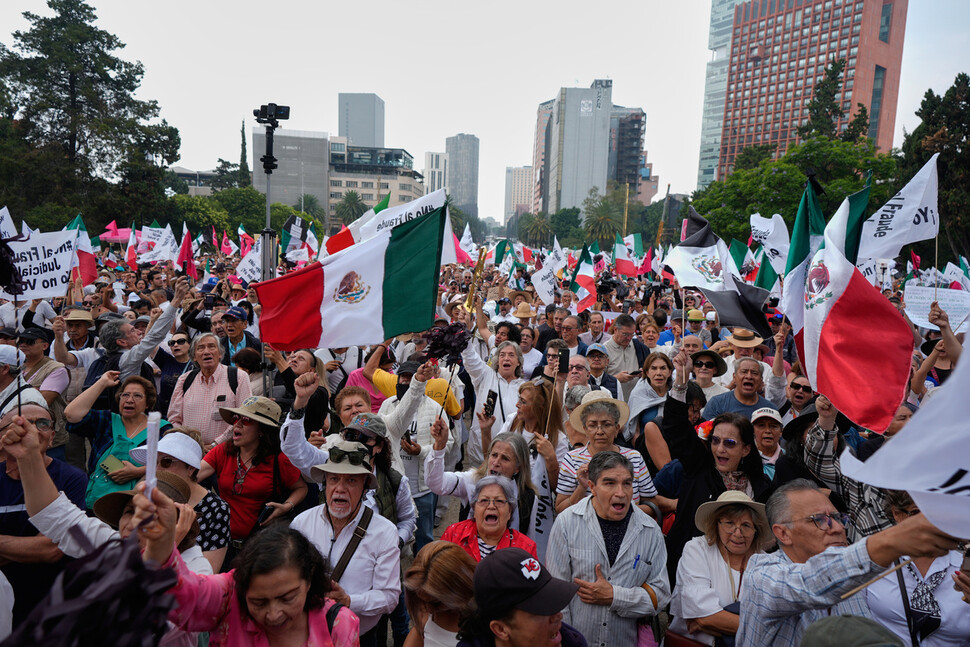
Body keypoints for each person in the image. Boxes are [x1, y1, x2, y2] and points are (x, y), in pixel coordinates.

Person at [737, 479, 960, 647]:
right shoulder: (762, 574)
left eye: (839, 518)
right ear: (783, 534)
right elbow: (809, 583)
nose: (838, 528)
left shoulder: (855, 584)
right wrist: (891, 541)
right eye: (820, 520)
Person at [134, 490, 359, 647]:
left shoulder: (339, 625)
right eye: (258, 602)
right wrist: (161, 546)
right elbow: (185, 596)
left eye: (288, 598)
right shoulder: (227, 596)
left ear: (309, 579)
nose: (273, 614)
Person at [662, 349, 771, 584]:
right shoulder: (698, 468)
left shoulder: (761, 485)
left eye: (730, 443)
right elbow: (675, 428)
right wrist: (680, 381)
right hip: (693, 569)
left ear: (746, 449)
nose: (720, 449)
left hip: (743, 573)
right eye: (716, 441)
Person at [547, 451, 670, 647]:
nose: (621, 493)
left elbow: (661, 596)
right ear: (592, 487)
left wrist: (615, 596)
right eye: (610, 483)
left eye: (627, 483)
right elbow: (556, 595)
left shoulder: (650, 530)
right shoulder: (566, 523)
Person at [289, 441, 401, 646]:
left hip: (359, 638)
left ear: (366, 486)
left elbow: (390, 597)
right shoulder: (301, 523)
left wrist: (349, 601)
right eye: (333, 479)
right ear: (325, 483)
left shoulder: (384, 532)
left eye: (351, 480)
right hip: (305, 635)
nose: (340, 489)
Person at [0, 403, 86, 628]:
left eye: (43, 424)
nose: (34, 431)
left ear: (51, 437)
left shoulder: (72, 479)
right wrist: (30, 547)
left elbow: (51, 549)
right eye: (23, 424)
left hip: (50, 605)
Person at [197, 396, 307, 549]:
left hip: (259, 547)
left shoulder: (278, 460)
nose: (238, 424)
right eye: (236, 418)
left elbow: (301, 488)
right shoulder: (223, 451)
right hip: (221, 544)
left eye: (247, 420)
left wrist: (286, 506)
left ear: (262, 430)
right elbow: (194, 475)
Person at [865, 490, 970, 647]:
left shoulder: (963, 568)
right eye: (917, 512)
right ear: (897, 514)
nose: (929, 521)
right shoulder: (873, 563)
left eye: (937, 512)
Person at [668, 491, 773, 645]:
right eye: (729, 523)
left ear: (756, 530)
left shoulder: (766, 563)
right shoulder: (697, 549)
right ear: (716, 524)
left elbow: (702, 620)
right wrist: (759, 629)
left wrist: (712, 622)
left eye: (746, 525)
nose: (738, 533)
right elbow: (703, 618)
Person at [130, 429, 231, 572]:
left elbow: (208, 574)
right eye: (154, 462)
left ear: (190, 468)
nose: (157, 469)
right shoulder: (149, 496)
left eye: (166, 462)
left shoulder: (217, 508)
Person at [555, 390, 663, 519]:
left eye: (606, 424)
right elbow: (560, 510)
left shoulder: (634, 457)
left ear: (617, 428)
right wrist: (582, 487)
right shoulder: (572, 459)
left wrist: (620, 513)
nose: (600, 431)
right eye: (593, 425)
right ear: (585, 429)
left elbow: (651, 504)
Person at [65, 371, 164, 508]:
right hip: (98, 502)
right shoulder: (106, 420)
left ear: (148, 403)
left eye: (137, 396)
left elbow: (169, 466)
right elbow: (71, 414)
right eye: (125, 395)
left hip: (138, 504)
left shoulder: (160, 428)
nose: (129, 400)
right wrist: (102, 383)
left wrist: (138, 472)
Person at [456, 546, 586, 647]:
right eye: (542, 611)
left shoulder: (574, 642)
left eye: (553, 603)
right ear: (501, 629)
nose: (558, 616)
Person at [426, 427, 539, 538]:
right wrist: (439, 447)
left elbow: (529, 539)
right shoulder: (472, 481)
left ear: (517, 467)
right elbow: (436, 484)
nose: (496, 462)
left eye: (505, 458)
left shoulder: (528, 498)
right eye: (494, 455)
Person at [167, 332, 253, 448]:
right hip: (190, 450)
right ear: (194, 357)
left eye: (211, 346)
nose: (206, 352)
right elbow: (174, 418)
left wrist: (215, 444)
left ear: (220, 354)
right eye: (200, 348)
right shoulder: (184, 380)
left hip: (226, 450)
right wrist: (191, 443)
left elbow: (244, 416)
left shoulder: (238, 377)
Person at [462, 336, 527, 467]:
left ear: (518, 361)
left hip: (511, 457)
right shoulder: (485, 375)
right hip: (481, 456)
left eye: (511, 355)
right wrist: (465, 335)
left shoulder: (524, 387)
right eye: (502, 355)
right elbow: (470, 358)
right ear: (498, 360)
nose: (506, 358)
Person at [441, 475, 538, 562]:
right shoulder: (453, 534)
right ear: (474, 509)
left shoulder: (525, 548)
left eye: (499, 501)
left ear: (509, 512)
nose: (491, 506)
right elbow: (437, 575)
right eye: (484, 500)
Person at [403, 541, 478, 647]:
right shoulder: (425, 609)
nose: (427, 609)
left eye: (436, 603)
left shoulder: (488, 624)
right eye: (422, 600)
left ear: (459, 591)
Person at [16, 328, 70, 461]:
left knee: (51, 478)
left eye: (29, 341)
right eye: (20, 341)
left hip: (48, 439)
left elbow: (42, 401)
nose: (23, 344)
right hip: (19, 437)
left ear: (45, 346)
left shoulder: (57, 369)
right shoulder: (15, 367)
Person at [264, 346, 331, 432]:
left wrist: (280, 361)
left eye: (301, 359)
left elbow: (300, 394)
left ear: (311, 370)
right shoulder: (277, 390)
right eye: (292, 357)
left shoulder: (320, 393)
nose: (294, 360)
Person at [703, 357, 780, 419]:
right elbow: (704, 433)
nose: (749, 376)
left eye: (754, 373)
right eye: (744, 371)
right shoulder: (717, 404)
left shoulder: (770, 409)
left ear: (761, 380)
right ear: (734, 377)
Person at [604, 314, 650, 400]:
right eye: (625, 334)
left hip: (637, 402)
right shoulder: (604, 350)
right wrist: (616, 379)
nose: (629, 338)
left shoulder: (640, 348)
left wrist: (644, 373)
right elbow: (597, 380)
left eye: (631, 334)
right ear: (615, 330)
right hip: (613, 402)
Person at [152, 331, 193, 416]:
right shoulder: (166, 360)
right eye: (172, 343)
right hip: (162, 413)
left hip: (184, 414)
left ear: (190, 345)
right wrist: (152, 321)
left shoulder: (197, 366)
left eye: (181, 341)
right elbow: (149, 342)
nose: (175, 345)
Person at [751, 407, 784, 480]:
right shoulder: (744, 456)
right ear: (752, 430)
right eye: (761, 425)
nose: (768, 431)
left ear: (781, 431)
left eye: (773, 426)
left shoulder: (788, 459)